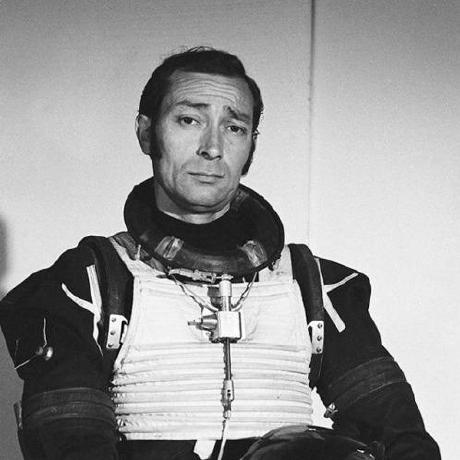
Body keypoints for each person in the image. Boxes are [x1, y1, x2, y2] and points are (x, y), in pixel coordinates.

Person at [0, 47, 440, 460]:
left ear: (251, 147)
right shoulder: (86, 287)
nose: (212, 147)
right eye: (189, 120)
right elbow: (73, 446)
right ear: (146, 133)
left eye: (234, 128)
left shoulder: (316, 288)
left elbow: (404, 440)